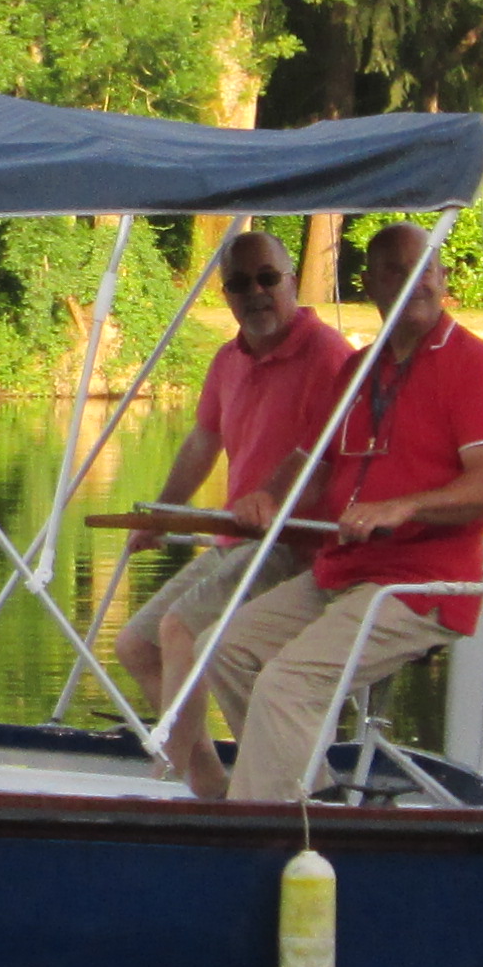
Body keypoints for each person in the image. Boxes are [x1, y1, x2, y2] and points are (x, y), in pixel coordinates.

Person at [183, 220, 483, 803]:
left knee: (287, 684)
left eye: (422, 267)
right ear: (370, 283)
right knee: (222, 649)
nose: (409, 280)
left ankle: (259, 826)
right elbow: (315, 463)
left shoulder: (479, 368)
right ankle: (311, 801)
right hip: (345, 569)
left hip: (422, 584)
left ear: (442, 279)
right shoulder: (358, 368)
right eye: (392, 268)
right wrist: (270, 496)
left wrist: (403, 506)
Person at [119, 226, 358, 725]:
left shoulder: (328, 355)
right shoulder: (229, 358)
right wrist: (162, 513)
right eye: (239, 284)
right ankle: (202, 778)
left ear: (291, 281)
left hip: (292, 546)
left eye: (267, 278)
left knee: (186, 632)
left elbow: (322, 456)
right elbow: (203, 441)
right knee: (137, 644)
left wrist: (271, 499)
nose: (256, 293)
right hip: (239, 541)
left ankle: (268, 772)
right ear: (225, 294)